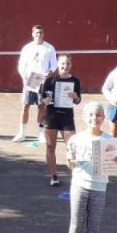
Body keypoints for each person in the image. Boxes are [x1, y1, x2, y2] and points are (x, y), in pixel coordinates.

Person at [64, 102, 117, 233]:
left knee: (93, 227)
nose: (95, 118)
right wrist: (70, 160)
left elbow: (115, 164)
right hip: (79, 185)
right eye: (91, 115)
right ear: (84, 117)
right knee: (76, 226)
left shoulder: (109, 139)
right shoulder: (76, 139)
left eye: (98, 115)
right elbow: (70, 165)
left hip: (99, 187)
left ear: (103, 118)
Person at [39, 54, 81, 186]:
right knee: (50, 147)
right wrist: (45, 100)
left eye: (68, 63)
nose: (65, 66)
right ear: (58, 64)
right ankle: (54, 176)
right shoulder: (50, 80)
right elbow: (42, 97)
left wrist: (75, 97)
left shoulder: (75, 80)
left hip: (67, 117)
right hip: (51, 116)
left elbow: (78, 100)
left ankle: (75, 176)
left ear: (71, 65)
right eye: (63, 63)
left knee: (72, 147)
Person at [13, 25, 57, 142]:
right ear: (32, 34)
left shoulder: (49, 48)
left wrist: (49, 72)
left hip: (42, 81)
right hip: (30, 81)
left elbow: (54, 64)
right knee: (25, 106)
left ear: (43, 34)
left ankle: (41, 133)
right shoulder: (27, 48)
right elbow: (21, 65)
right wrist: (24, 78)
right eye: (36, 33)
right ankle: (22, 133)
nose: (39, 35)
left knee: (41, 107)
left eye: (41, 32)